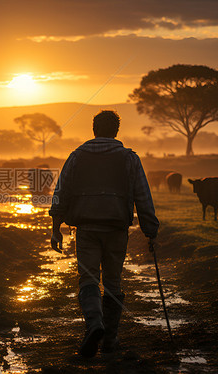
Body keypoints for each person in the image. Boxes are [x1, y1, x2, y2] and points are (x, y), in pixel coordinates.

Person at [49, 110, 159, 358]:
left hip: (86, 229)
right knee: (113, 282)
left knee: (88, 279)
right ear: (116, 131)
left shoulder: (76, 157)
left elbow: (61, 193)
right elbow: (143, 196)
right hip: (116, 229)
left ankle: (94, 324)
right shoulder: (129, 158)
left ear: (94, 130)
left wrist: (56, 230)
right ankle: (109, 339)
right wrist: (150, 230)